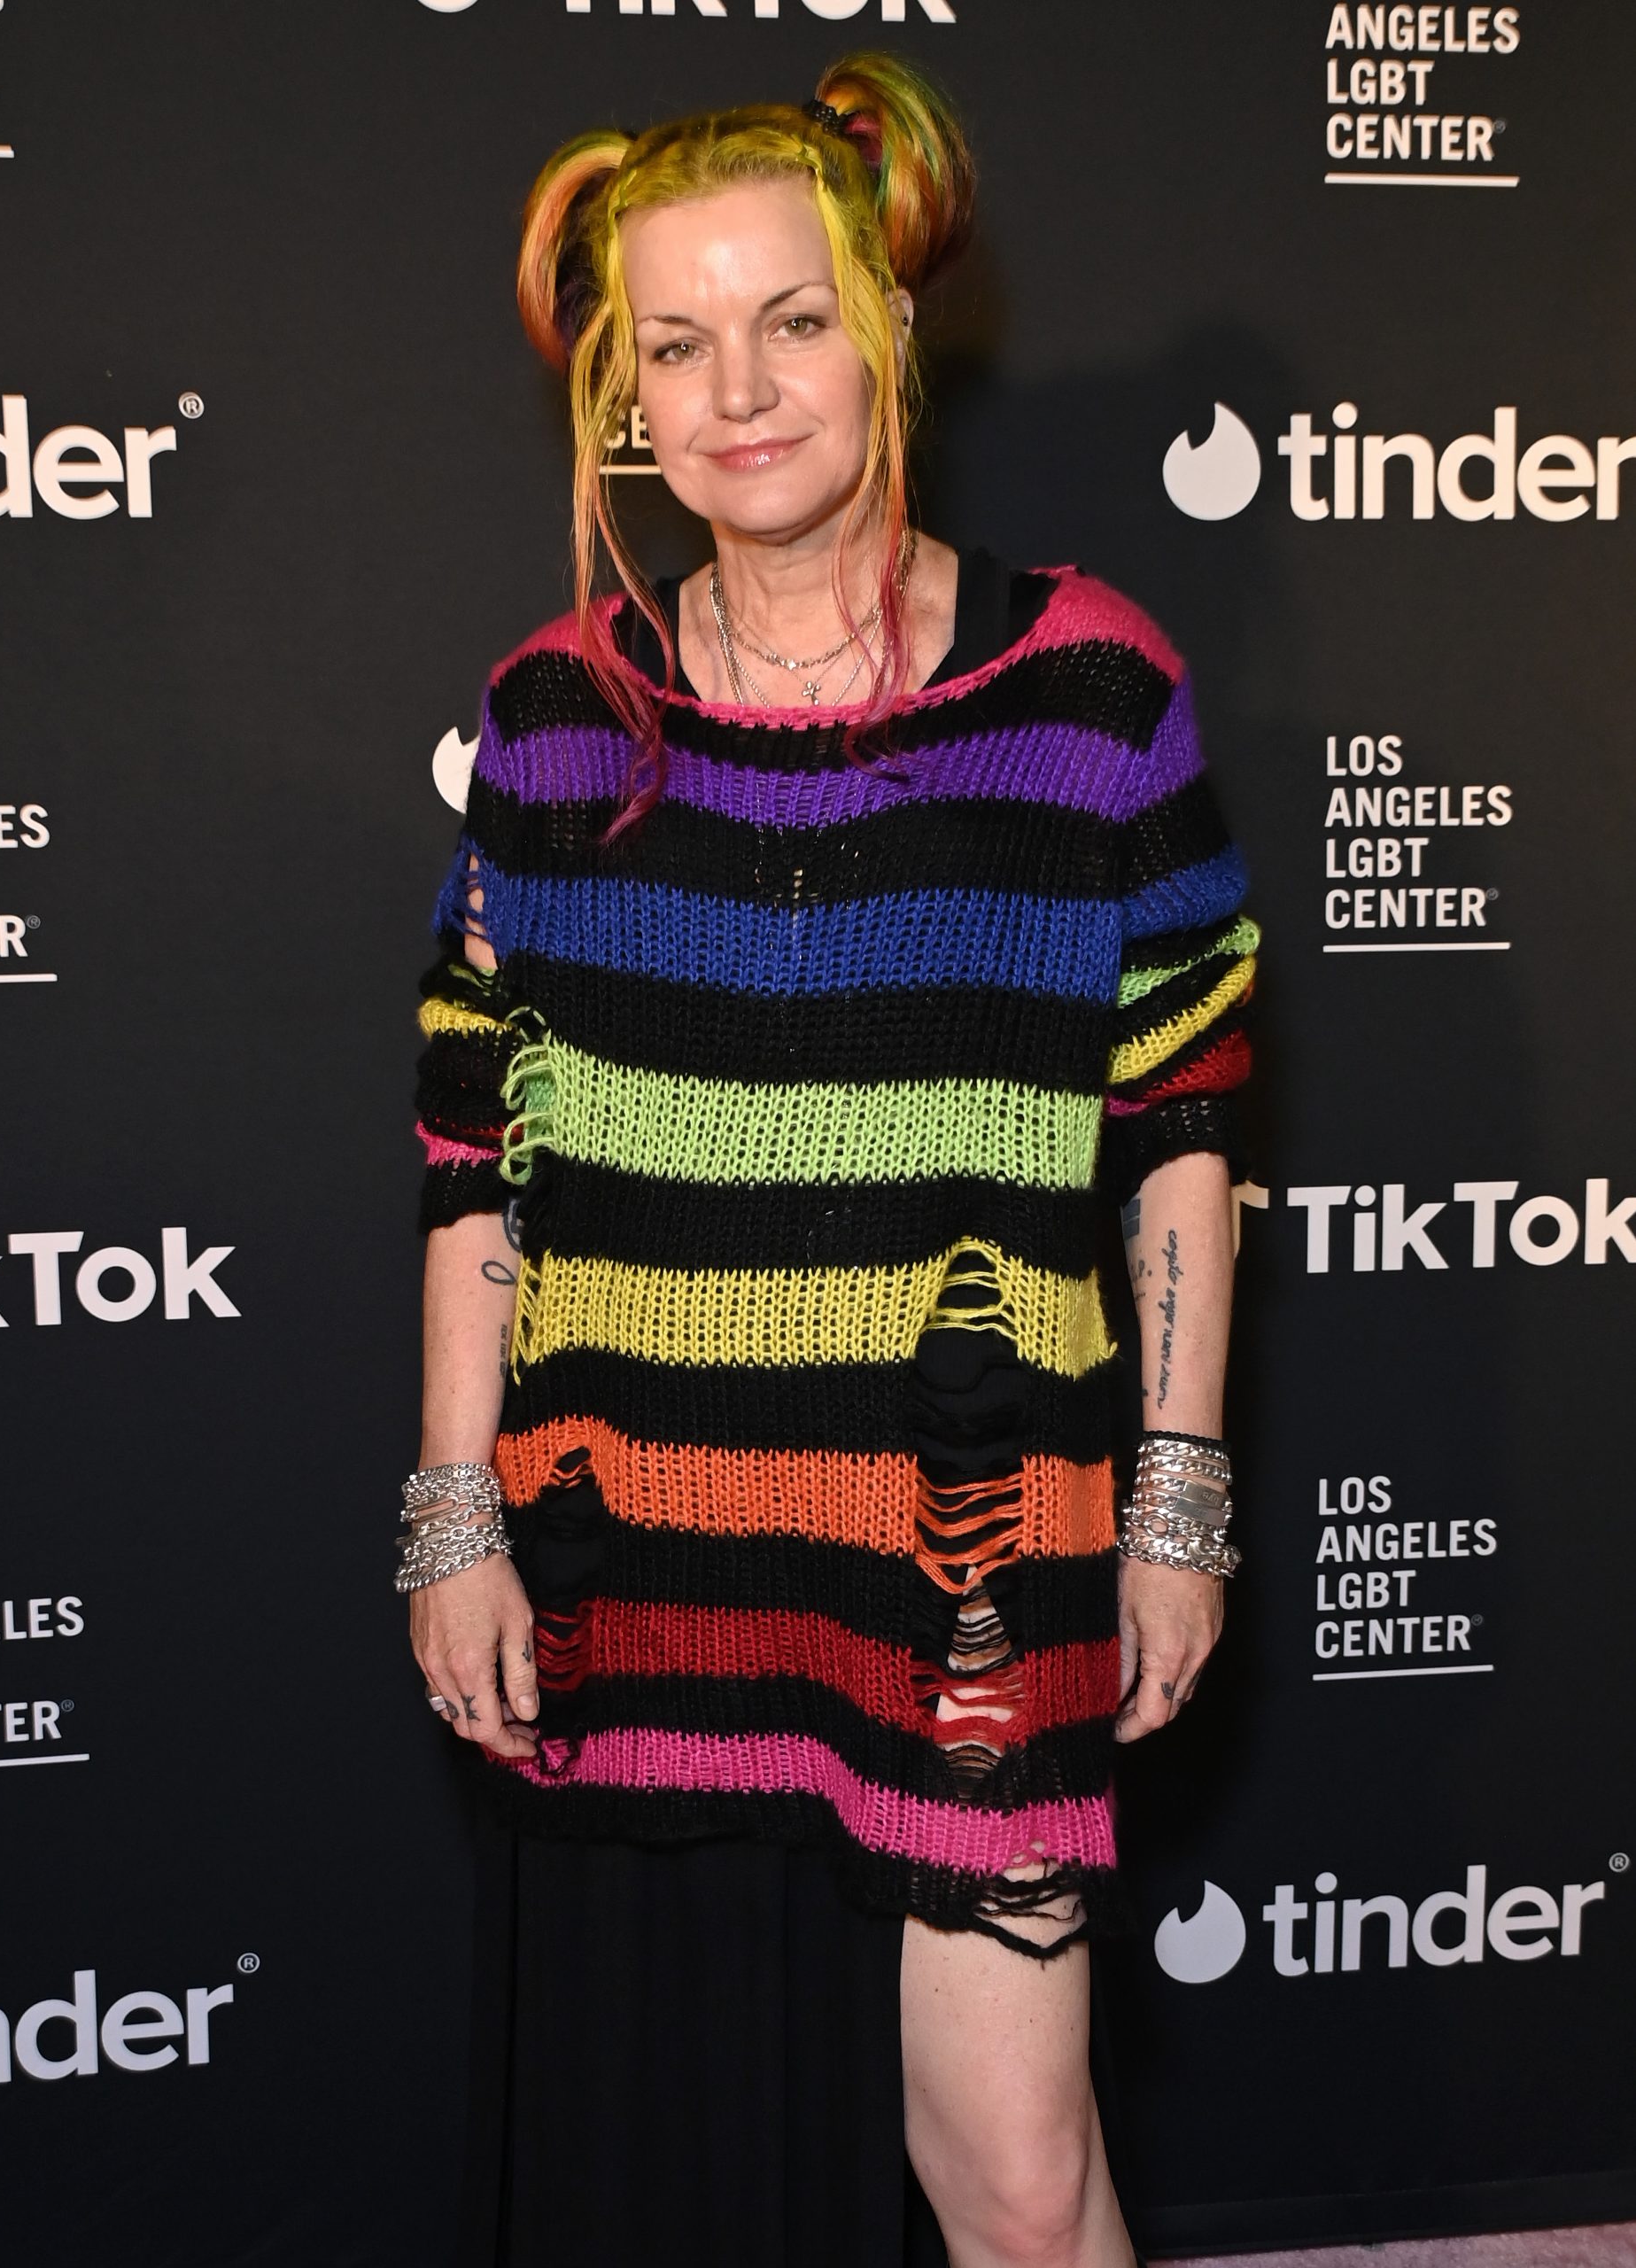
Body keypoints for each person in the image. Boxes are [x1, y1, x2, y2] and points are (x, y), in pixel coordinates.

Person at [403, 51, 1257, 2268]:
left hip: (968, 1540)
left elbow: (1176, 1123)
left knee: (1015, 2166)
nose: (737, 389)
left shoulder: (1089, 690)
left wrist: (1172, 1494)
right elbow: (469, 1150)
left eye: (788, 320)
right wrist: (448, 1508)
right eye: (672, 343)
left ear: (882, 320)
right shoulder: (549, 715)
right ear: (619, 385)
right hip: (631, 1534)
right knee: (664, 2167)